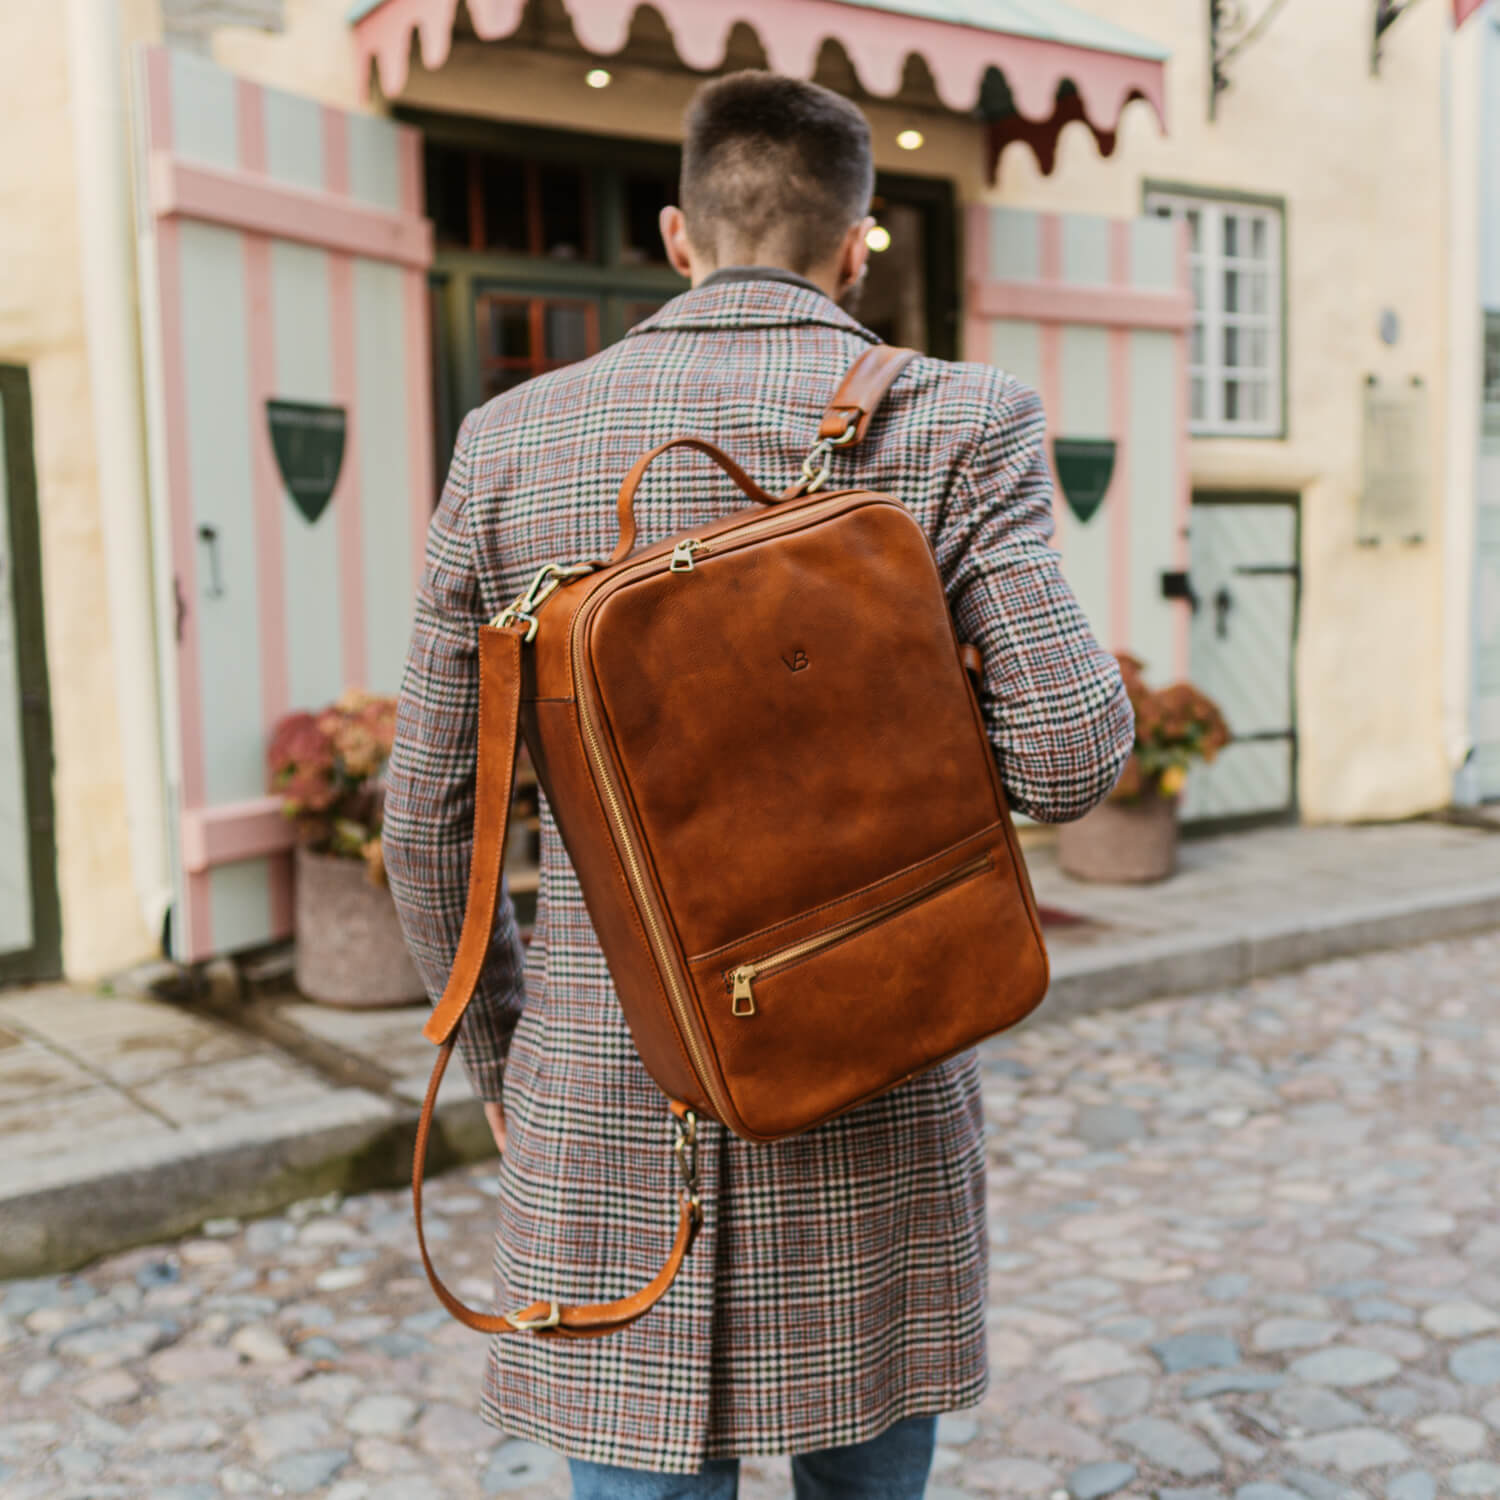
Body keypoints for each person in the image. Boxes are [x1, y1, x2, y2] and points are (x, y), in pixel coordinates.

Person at [382, 70, 1133, 1499]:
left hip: (609, 1089)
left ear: (677, 235)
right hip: (877, 1054)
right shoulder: (964, 421)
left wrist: (502, 1069)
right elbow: (1071, 754)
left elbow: (428, 819)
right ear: (859, 248)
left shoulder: (509, 440)